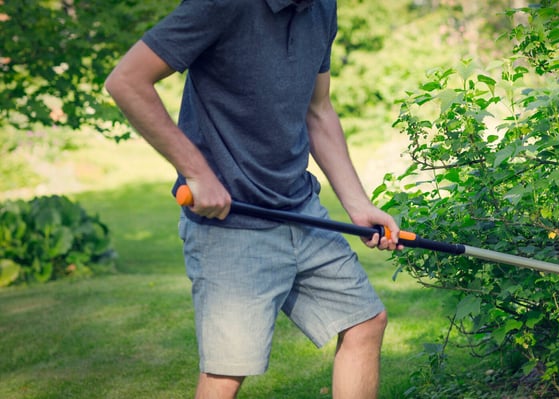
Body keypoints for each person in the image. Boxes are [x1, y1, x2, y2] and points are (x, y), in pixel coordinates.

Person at [105, 1, 401, 398]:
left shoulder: (321, 7)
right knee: (227, 372)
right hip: (232, 226)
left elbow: (318, 110)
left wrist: (357, 203)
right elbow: (127, 81)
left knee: (365, 322)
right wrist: (196, 172)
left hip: (302, 210)